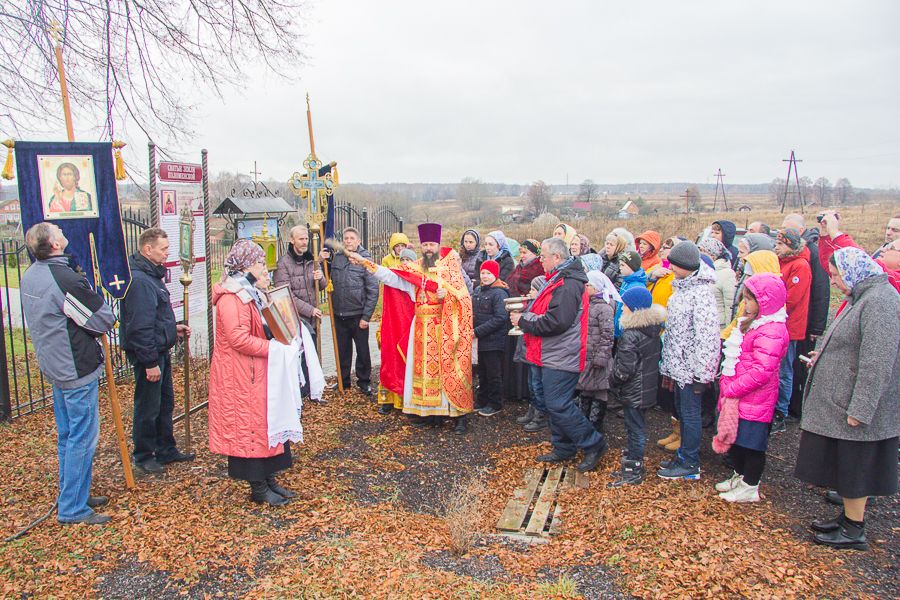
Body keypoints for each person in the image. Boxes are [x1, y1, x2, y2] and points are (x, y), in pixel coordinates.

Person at [794, 247, 900, 551]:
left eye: (836, 275)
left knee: (856, 469)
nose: (834, 282)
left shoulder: (880, 302)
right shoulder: (863, 297)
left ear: (853, 272)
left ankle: (854, 530)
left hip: (856, 406)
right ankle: (848, 519)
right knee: (846, 465)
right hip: (843, 400)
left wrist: (861, 408)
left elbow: (877, 362)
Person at [20, 223, 116, 524]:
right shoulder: (63, 279)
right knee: (82, 437)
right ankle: (73, 508)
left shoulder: (31, 274)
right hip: (74, 368)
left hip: (54, 364)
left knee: (68, 436)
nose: (62, 231)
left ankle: (73, 494)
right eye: (57, 231)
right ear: (54, 245)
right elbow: (103, 319)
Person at [351, 223, 474, 434]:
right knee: (424, 374)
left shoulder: (450, 268)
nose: (428, 248)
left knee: (450, 371)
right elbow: (391, 277)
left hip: (446, 329)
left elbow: (465, 299)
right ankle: (429, 414)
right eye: (425, 245)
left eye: (432, 244)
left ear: (438, 245)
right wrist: (365, 263)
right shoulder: (415, 269)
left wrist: (449, 296)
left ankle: (458, 417)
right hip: (421, 330)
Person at [208, 240, 304, 506]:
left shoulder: (250, 291)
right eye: (260, 262)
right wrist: (274, 348)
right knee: (248, 429)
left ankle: (269, 478)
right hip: (240, 375)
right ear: (245, 266)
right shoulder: (232, 297)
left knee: (265, 425)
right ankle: (258, 487)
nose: (264, 267)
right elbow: (238, 339)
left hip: (255, 371)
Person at [512, 237, 608, 473]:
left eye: (543, 256)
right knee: (555, 403)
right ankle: (563, 447)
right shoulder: (559, 279)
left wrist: (524, 321)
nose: (541, 261)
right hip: (554, 353)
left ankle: (594, 444)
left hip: (563, 355)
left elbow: (557, 322)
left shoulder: (567, 283)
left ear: (557, 257)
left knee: (559, 404)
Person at [121, 228, 194, 474]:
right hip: (149, 356)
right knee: (148, 406)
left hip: (159, 350)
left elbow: (154, 318)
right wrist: (150, 362)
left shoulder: (151, 275)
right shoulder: (140, 281)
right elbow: (139, 327)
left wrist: (173, 330)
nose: (167, 253)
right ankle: (144, 455)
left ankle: (166, 449)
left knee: (164, 403)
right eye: (163, 249)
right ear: (148, 249)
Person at [714, 273, 789, 503]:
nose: (744, 303)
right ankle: (740, 476)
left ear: (765, 301)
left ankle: (750, 485)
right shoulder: (754, 323)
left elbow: (762, 371)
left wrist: (733, 388)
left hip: (755, 398)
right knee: (738, 441)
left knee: (752, 444)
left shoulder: (772, 330)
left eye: (748, 299)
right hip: (741, 394)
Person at [658, 242, 720, 480]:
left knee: (691, 414)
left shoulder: (701, 294)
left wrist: (703, 374)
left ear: (687, 266)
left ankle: (690, 461)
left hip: (692, 370)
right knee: (682, 412)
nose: (670, 267)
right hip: (678, 366)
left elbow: (708, 337)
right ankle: (683, 454)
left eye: (675, 264)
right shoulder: (681, 289)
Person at [607, 287, 665, 487]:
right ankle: (633, 458)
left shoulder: (631, 334)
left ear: (634, 308)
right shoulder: (652, 329)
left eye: (625, 305)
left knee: (635, 428)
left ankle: (634, 468)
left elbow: (625, 369)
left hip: (634, 390)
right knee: (635, 426)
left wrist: (612, 380)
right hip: (645, 387)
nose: (622, 308)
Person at [781, 214, 830, 423]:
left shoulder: (812, 254)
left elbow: (821, 290)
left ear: (800, 231)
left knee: (798, 366)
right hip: (794, 320)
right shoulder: (794, 254)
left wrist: (817, 326)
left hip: (804, 322)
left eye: (787, 228)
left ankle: (795, 410)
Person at [318, 227, 379, 395]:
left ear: (358, 241)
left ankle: (364, 381)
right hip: (339, 314)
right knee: (342, 350)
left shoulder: (365, 260)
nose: (348, 241)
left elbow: (373, 290)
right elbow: (324, 277)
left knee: (362, 350)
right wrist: (320, 261)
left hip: (358, 315)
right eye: (346, 238)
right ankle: (343, 380)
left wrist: (366, 316)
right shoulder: (337, 259)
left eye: (352, 238)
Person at [273, 225, 324, 403]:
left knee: (311, 355)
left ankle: (312, 390)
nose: (304, 242)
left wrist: (320, 277)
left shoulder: (311, 260)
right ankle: (299, 393)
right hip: (295, 318)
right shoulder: (283, 264)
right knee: (298, 357)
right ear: (292, 240)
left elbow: (322, 286)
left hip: (312, 318)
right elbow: (286, 296)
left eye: (306, 239)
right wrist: (310, 309)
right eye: (300, 239)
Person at [771, 227, 811, 433]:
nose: (776, 247)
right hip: (777, 323)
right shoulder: (781, 262)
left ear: (791, 246)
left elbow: (791, 299)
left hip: (789, 326)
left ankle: (781, 413)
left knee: (784, 370)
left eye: (780, 244)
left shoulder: (800, 265)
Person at [375, 248, 418, 415]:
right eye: (403, 260)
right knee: (390, 358)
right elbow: (382, 274)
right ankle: (388, 400)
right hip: (394, 325)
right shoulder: (394, 275)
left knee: (408, 361)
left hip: (410, 326)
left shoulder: (418, 279)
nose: (405, 263)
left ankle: (408, 399)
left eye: (408, 260)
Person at [575, 271, 617, 435]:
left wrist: (601, 357)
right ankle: (584, 423)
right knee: (586, 388)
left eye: (589, 285)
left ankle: (595, 425)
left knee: (599, 390)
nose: (586, 287)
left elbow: (608, 335)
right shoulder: (587, 304)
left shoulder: (604, 308)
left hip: (597, 357)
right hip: (586, 355)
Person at [503, 239, 543, 404]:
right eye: (521, 252)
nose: (522, 255)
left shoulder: (538, 269)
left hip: (528, 314)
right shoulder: (519, 267)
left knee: (526, 354)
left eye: (525, 252)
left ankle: (526, 392)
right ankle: (513, 388)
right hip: (514, 313)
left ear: (535, 253)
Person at [472, 260, 510, 417]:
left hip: (493, 340)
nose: (485, 276)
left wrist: (478, 332)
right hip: (480, 340)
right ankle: (482, 399)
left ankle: (495, 403)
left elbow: (500, 318)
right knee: (482, 372)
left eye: (488, 273)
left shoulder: (499, 293)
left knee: (493, 373)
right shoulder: (478, 290)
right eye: (483, 273)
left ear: (495, 275)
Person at [724, 249, 782, 339]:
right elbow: (737, 322)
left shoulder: (771, 305)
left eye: (750, 275)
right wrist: (723, 337)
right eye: (746, 275)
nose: (747, 279)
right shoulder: (749, 295)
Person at [699, 238, 736, 330]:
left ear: (713, 255)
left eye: (703, 251)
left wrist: (728, 331)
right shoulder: (701, 271)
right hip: (703, 324)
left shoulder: (727, 274)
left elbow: (730, 304)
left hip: (719, 326)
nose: (700, 255)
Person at [613, 250, 647, 339]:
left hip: (626, 333)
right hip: (618, 329)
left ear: (632, 267)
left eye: (623, 265)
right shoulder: (626, 281)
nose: (620, 268)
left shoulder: (637, 287)